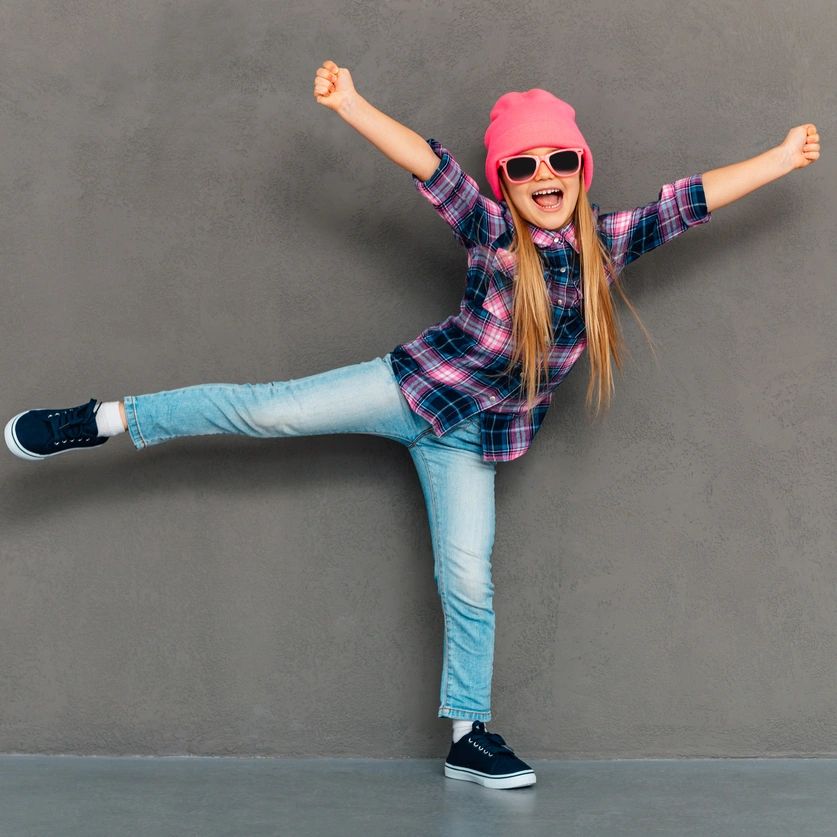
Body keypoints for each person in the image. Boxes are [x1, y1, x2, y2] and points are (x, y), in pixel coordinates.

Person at [3, 59, 820, 790]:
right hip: (408, 391)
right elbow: (429, 167)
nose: (544, 174)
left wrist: (782, 159)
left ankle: (469, 736)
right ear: (505, 180)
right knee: (262, 407)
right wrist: (352, 105)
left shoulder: (608, 242)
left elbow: (692, 199)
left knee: (469, 581)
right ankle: (103, 417)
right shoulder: (494, 230)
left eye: (559, 160)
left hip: (468, 444)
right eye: (524, 164)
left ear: (579, 171)